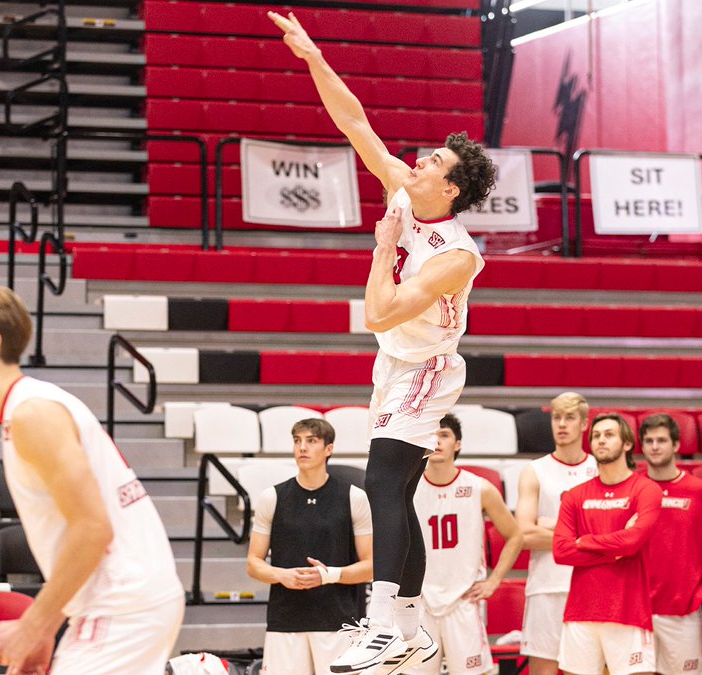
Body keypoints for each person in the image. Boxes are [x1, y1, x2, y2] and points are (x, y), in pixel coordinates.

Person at [268, 11, 497, 674]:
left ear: (449, 188)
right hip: (396, 359)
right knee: (397, 491)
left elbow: (380, 311)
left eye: (434, 162)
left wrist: (384, 247)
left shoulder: (456, 254)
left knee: (380, 479)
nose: (419, 160)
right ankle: (412, 626)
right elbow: (354, 121)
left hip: (426, 366)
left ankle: (382, 621)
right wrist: (312, 56)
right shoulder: (404, 188)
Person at [0, 284, 183, 674]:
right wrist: (45, 627)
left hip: (122, 601)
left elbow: (93, 528)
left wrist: (32, 626)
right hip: (128, 598)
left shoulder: (33, 413)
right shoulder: (30, 405)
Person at [245, 419, 374, 675]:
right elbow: (253, 564)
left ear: (328, 449)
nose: (302, 447)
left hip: (338, 623)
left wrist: (328, 576)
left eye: (311, 441)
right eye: (297, 441)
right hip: (285, 622)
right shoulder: (272, 497)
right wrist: (282, 575)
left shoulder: (354, 497)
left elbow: (371, 567)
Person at [407, 413, 523, 675]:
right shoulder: (409, 489)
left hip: (463, 601)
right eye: (432, 435)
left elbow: (515, 536)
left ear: (457, 444)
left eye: (444, 435)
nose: (436, 441)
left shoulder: (478, 487)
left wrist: (494, 581)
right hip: (421, 601)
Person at [553, 413, 662, 675]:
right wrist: (614, 552)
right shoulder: (575, 495)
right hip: (581, 611)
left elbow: (633, 542)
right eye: (597, 436)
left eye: (609, 435)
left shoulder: (646, 490)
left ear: (627, 444)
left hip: (628, 610)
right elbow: (561, 551)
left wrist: (586, 541)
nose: (601, 440)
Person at [515, 392, 599, 675]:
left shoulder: (599, 469)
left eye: (570, 418)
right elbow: (524, 534)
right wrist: (584, 539)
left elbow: (612, 534)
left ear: (585, 424)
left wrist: (551, 527)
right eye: (556, 417)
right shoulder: (535, 470)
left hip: (590, 586)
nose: (561, 424)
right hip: (546, 586)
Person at [639, 413, 702, 675]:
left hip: (683, 611)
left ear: (675, 445)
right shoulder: (631, 488)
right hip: (637, 611)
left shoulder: (700, 491)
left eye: (661, 440)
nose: (654, 446)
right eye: (649, 440)